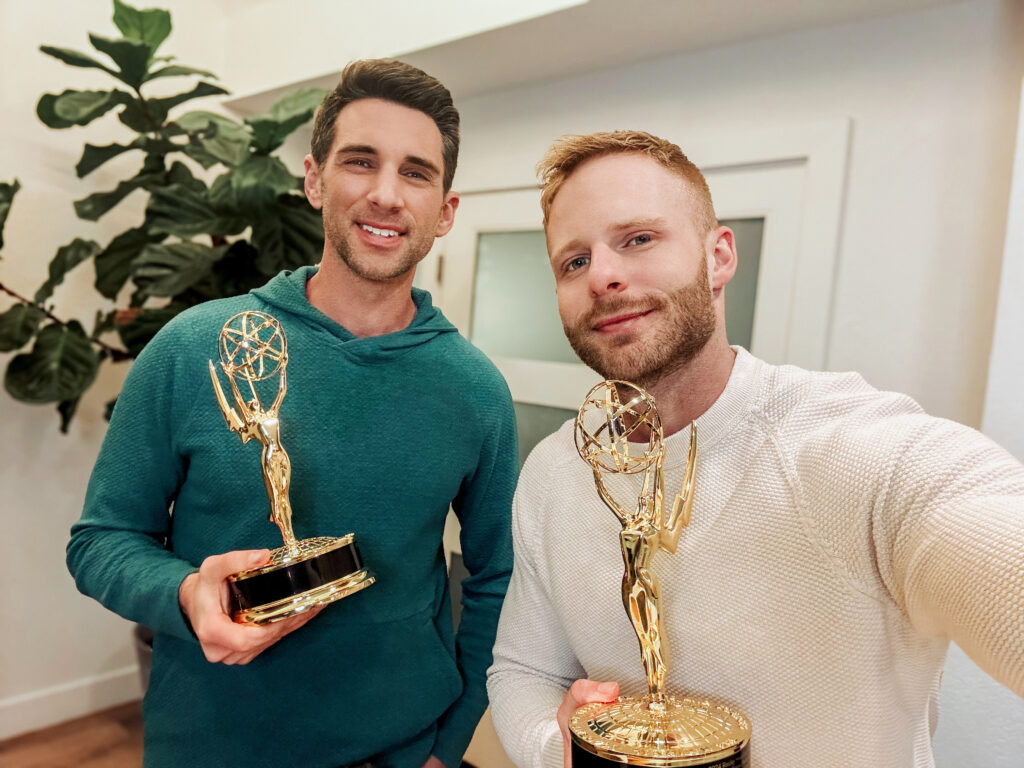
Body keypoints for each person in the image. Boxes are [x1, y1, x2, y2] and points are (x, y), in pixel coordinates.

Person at [485, 130, 1024, 768]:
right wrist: (561, 752)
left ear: (718, 257)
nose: (603, 274)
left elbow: (968, 515)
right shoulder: (554, 471)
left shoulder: (849, 448)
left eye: (638, 239)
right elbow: (521, 669)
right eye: (574, 261)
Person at [67, 59, 518, 768]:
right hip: (211, 746)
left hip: (399, 749)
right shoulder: (193, 348)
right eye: (360, 162)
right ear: (313, 180)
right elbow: (101, 541)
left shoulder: (475, 390)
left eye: (415, 172)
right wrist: (185, 592)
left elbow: (496, 580)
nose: (384, 194)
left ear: (446, 210)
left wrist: (447, 746)